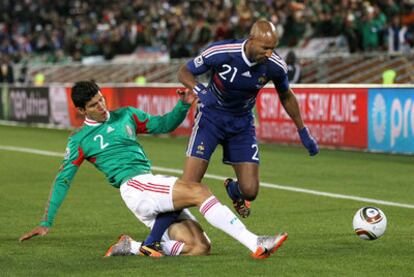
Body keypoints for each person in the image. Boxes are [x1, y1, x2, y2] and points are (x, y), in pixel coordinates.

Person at [19, 80, 288, 259]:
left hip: (147, 185)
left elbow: (163, 125)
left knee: (200, 247)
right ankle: (255, 242)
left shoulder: (126, 115)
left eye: (101, 100)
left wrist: (182, 106)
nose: (102, 107)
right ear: (80, 110)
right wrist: (46, 222)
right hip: (134, 186)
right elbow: (63, 179)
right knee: (198, 190)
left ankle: (132, 246)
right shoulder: (80, 140)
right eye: (94, 105)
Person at [177, 19, 318, 218]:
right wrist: (200, 90)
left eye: (273, 48)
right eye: (265, 48)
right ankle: (159, 233)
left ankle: (234, 191)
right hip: (211, 119)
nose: (269, 53)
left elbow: (286, 95)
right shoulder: (221, 51)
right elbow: (184, 71)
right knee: (189, 186)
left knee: (250, 191)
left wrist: (302, 130)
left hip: (242, 124)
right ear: (251, 39)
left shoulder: (274, 66)